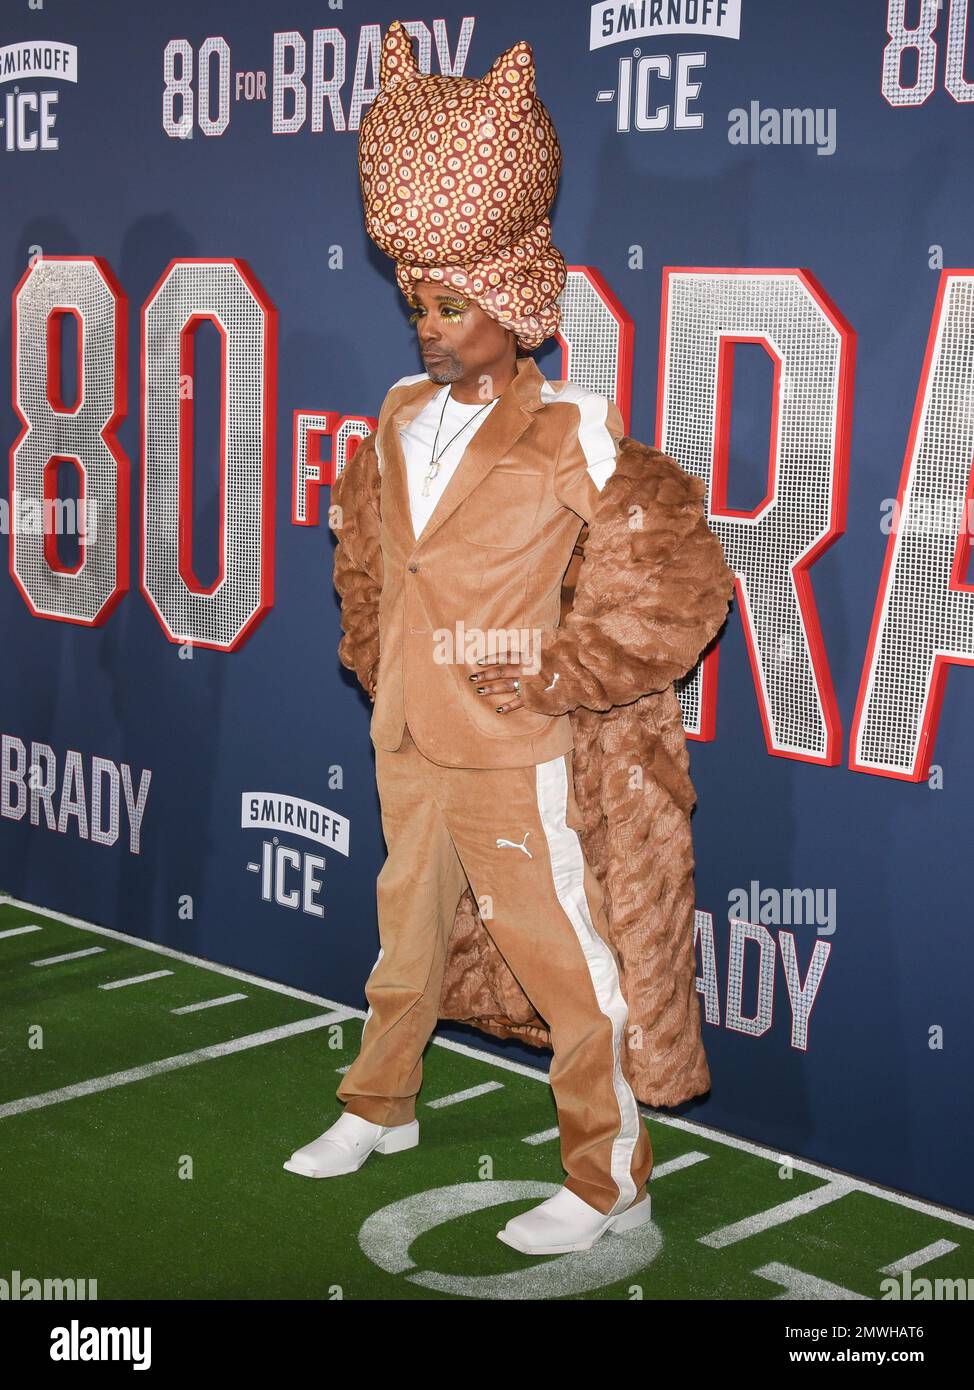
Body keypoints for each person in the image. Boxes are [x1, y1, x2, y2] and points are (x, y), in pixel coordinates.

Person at [282, 21, 733, 1258]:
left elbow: (675, 575)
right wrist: (377, 651)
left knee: (562, 960)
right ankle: (378, 1103)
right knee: (403, 923)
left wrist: (554, 672)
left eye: (450, 303)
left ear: (514, 298)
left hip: (513, 743)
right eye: (415, 299)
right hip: (406, 729)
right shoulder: (392, 410)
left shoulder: (575, 431)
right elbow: (370, 545)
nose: (426, 323)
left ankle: (606, 1178)